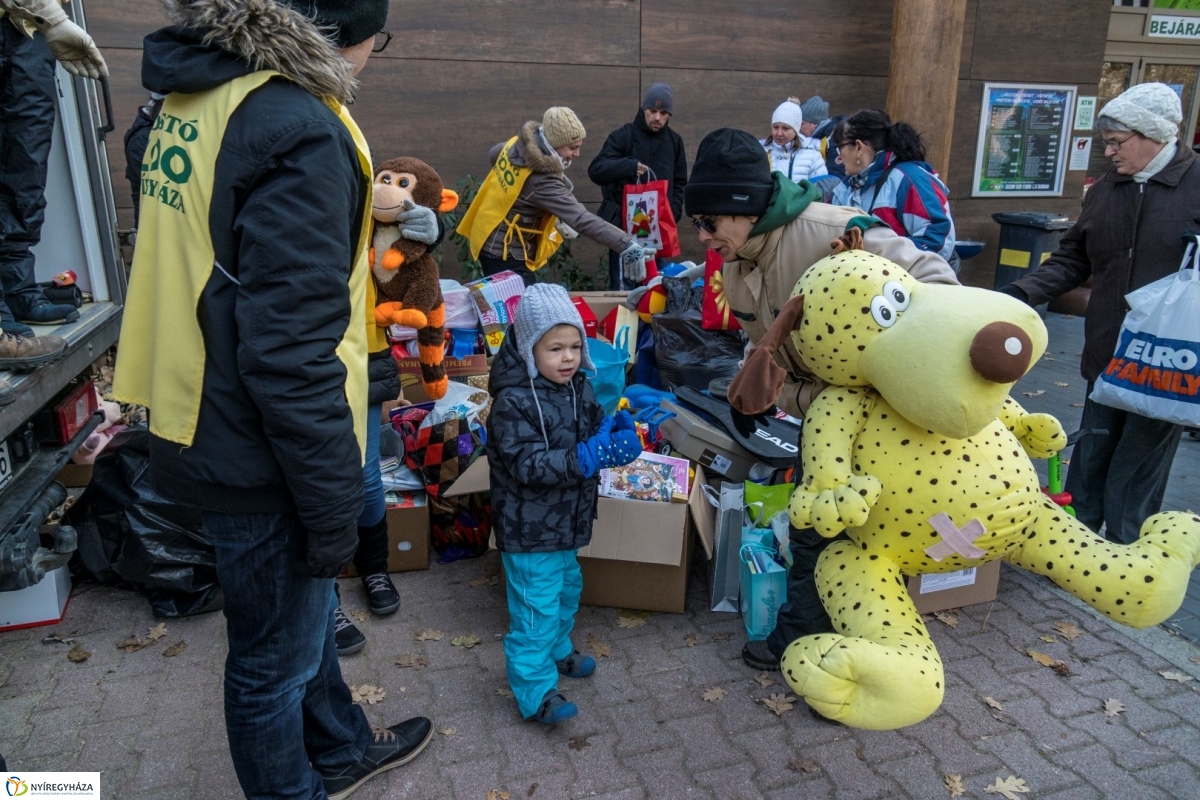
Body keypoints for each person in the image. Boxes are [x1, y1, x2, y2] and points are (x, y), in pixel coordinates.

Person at [111, 2, 433, 797]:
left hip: (202, 408)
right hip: (259, 439)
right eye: (374, 39)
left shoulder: (196, 96)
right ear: (341, 30)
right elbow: (289, 347)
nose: (370, 57)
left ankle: (338, 744)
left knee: (299, 626)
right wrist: (330, 502)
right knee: (269, 662)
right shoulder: (298, 123)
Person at [683, 127, 959, 672]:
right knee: (818, 529)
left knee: (858, 540)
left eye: (708, 223)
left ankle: (857, 656)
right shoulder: (739, 258)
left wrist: (890, 374)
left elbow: (936, 285)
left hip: (878, 421)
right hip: (820, 420)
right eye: (697, 224)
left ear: (743, 208)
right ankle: (816, 638)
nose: (701, 237)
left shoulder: (832, 231)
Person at [998, 82, 1199, 545]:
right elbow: (1073, 260)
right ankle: (1074, 547)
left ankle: (1127, 558)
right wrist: (1018, 293)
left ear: (1153, 135)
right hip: (1108, 349)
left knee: (1138, 466)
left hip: (1166, 362)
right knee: (1089, 456)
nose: (1107, 151)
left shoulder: (1196, 184)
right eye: (1106, 141)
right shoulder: (1108, 190)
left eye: (1116, 141)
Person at [486, 283, 642, 723]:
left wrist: (615, 427)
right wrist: (591, 455)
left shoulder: (576, 386)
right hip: (529, 529)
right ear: (528, 346)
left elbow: (594, 424)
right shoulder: (512, 403)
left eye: (575, 346)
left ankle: (557, 649)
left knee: (566, 589)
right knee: (534, 610)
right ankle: (535, 693)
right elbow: (528, 465)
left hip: (567, 523)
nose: (568, 357)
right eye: (555, 348)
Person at [458, 107, 651, 288]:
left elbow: (494, 154)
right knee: (521, 314)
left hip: (488, 233)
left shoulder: (517, 145)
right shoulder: (542, 180)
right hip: (505, 251)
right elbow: (581, 219)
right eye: (572, 147)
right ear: (554, 143)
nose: (577, 153)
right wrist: (626, 245)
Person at [0, 0, 100, 337]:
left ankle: (18, 292)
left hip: (27, 28)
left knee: (27, 163)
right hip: (36, 16)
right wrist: (54, 18)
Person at [588, 82, 688, 290]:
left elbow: (680, 182)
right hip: (623, 231)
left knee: (655, 288)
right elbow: (596, 170)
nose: (657, 117)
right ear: (644, 110)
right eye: (653, 111)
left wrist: (673, 212)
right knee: (623, 290)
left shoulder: (674, 142)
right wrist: (629, 166)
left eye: (663, 112)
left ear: (669, 115)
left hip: (657, 231)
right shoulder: (624, 135)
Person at [830, 109, 958, 267]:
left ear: (858, 147)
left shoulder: (908, 179)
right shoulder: (845, 187)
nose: (838, 157)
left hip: (902, 286)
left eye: (840, 148)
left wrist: (880, 262)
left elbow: (939, 239)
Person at [761, 97, 827, 185]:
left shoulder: (813, 157)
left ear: (796, 130)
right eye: (775, 127)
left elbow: (819, 191)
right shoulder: (761, 152)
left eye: (785, 128)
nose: (779, 133)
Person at [798, 95, 846, 179]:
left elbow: (836, 177)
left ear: (815, 124)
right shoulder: (824, 136)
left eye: (802, 124)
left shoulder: (834, 139)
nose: (798, 128)